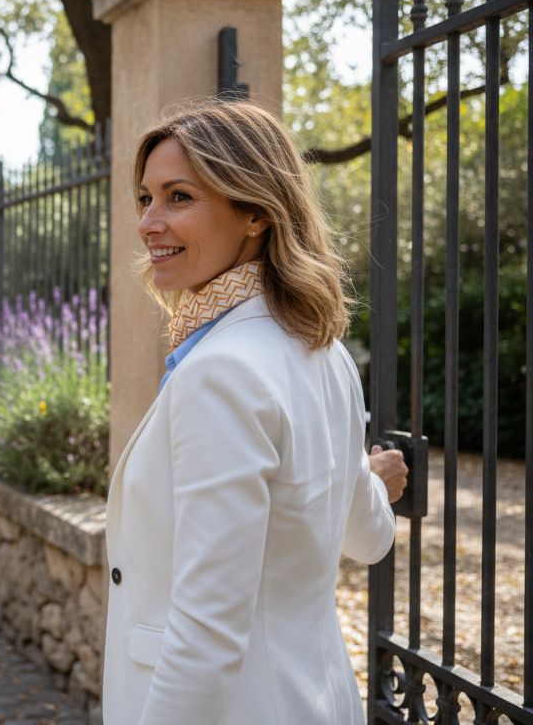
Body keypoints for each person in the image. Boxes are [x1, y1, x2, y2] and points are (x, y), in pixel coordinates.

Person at [102, 99, 408, 725]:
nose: (147, 223)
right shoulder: (325, 355)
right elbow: (366, 536)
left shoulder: (221, 372)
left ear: (255, 214)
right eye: (145, 199)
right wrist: (372, 484)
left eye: (178, 197)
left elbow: (207, 632)